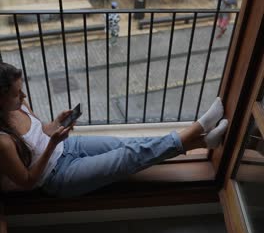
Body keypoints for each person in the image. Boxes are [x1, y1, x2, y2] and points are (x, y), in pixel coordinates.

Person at [0, 62, 228, 198]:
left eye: (23, 90)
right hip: (57, 176)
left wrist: (56, 123)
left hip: (68, 146)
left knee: (130, 144)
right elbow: (28, 181)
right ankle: (198, 129)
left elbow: (43, 131)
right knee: (130, 155)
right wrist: (52, 145)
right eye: (16, 93)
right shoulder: (3, 141)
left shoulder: (20, 106)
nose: (24, 96)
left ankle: (202, 142)